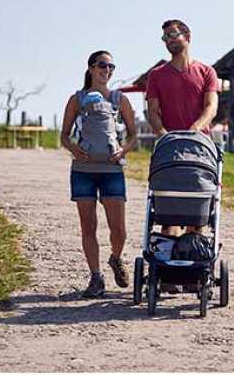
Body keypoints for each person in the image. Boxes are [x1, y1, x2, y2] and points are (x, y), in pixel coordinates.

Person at [146, 19, 220, 291]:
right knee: (169, 211)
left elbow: (211, 107)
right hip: (170, 150)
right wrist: (164, 134)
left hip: (199, 150)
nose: (168, 40)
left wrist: (194, 130)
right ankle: (169, 275)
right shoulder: (157, 76)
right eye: (164, 37)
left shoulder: (206, 72)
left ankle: (194, 270)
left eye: (172, 35)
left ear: (187, 36)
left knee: (196, 212)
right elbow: (152, 111)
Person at [60, 50, 137, 298]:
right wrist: (74, 148)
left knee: (119, 229)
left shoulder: (120, 99)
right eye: (103, 65)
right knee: (88, 225)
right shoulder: (77, 99)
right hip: (83, 170)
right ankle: (96, 277)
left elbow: (134, 135)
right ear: (91, 68)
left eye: (111, 67)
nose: (107, 70)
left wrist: (123, 150)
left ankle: (115, 258)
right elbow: (64, 135)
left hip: (112, 170)